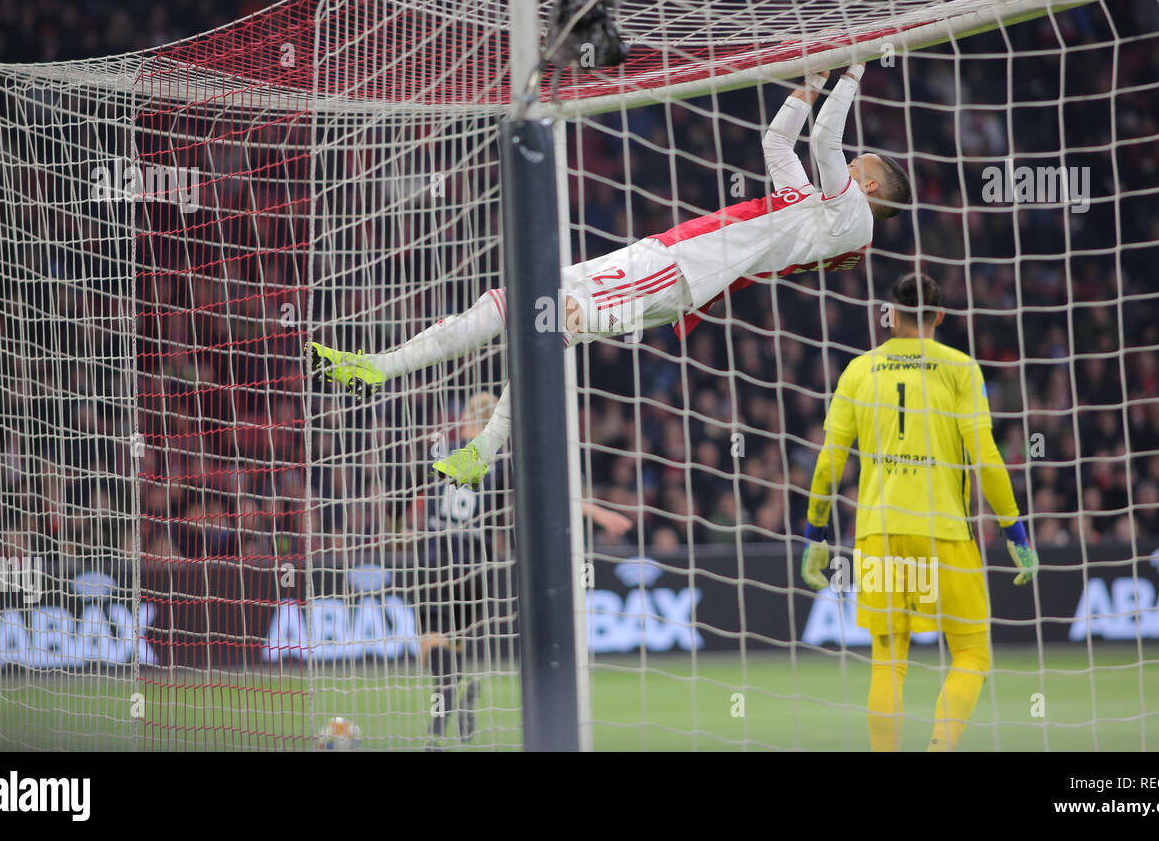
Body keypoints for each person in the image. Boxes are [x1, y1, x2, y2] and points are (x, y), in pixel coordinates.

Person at [312, 63, 909, 485]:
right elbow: (781, 141)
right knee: (519, 306)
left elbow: (827, 140)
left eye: (864, 164)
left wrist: (851, 71)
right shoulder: (815, 209)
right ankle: (393, 380)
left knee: (553, 321)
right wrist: (808, 84)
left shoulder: (853, 219)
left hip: (682, 270)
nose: (854, 161)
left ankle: (470, 436)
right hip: (664, 258)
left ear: (871, 186)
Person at [800, 272, 1038, 751]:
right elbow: (986, 458)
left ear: (891, 313)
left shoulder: (858, 370)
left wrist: (814, 535)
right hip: (945, 534)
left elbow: (829, 462)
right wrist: (1015, 532)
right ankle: (939, 747)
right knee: (971, 654)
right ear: (941, 317)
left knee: (888, 660)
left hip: (879, 535)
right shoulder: (960, 369)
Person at [410, 391, 632, 747]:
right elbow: (549, 496)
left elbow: (408, 502)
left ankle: (440, 725)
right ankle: (456, 702)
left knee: (432, 649)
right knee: (457, 646)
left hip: (436, 560)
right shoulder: (500, 463)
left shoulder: (438, 451)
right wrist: (600, 514)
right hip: (474, 567)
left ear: (464, 417)